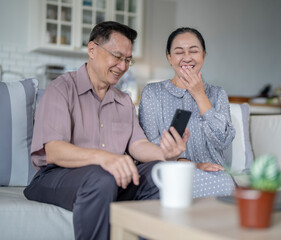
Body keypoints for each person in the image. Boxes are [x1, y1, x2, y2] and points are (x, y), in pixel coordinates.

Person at [24, 21, 189, 240]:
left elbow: (137, 145)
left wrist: (167, 154)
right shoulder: (61, 88)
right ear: (92, 50)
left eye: (128, 60)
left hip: (107, 179)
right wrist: (106, 159)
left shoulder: (123, 101)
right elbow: (54, 150)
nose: (123, 66)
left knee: (159, 173)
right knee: (102, 178)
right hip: (55, 176)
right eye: (117, 56)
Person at [139, 27, 236, 198]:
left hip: (214, 173)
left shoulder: (217, 93)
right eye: (179, 52)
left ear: (203, 55)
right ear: (169, 58)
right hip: (172, 171)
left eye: (193, 51)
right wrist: (191, 165)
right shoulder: (152, 93)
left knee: (225, 184)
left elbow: (223, 141)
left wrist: (199, 94)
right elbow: (149, 145)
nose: (187, 57)